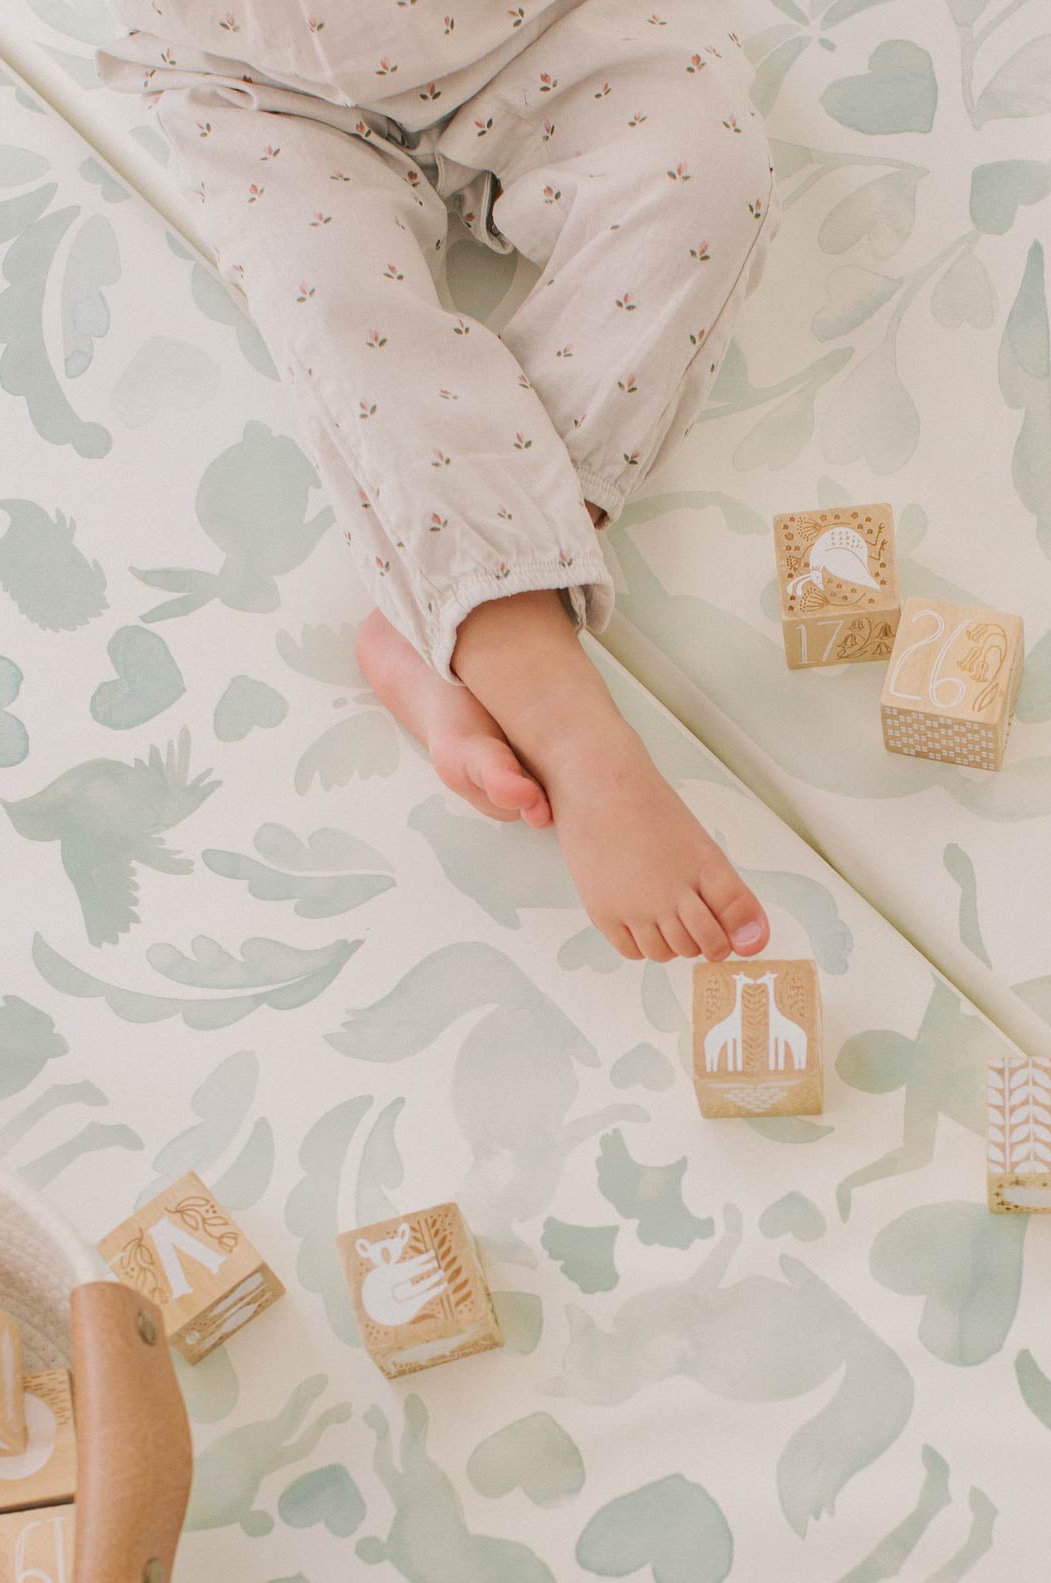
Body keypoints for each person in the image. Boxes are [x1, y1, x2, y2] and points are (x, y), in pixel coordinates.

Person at [98, 0, 779, 963]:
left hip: (544, 29)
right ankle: (548, 699)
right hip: (261, 83)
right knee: (337, 310)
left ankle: (469, 614)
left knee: (702, 184)